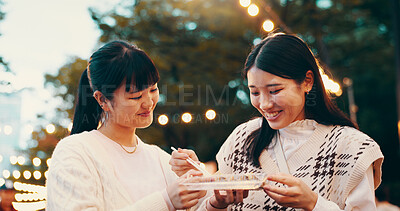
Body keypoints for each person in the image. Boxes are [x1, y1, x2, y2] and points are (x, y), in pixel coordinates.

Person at [170, 33, 384, 210]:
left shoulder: (351, 147)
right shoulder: (242, 139)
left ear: (307, 81)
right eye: (254, 92)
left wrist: (314, 204)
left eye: (274, 90)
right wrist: (217, 203)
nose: (264, 104)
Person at [46, 40, 206, 210]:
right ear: (102, 99)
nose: (148, 103)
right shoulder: (75, 152)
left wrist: (206, 192)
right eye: (135, 96)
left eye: (153, 90)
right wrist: (165, 201)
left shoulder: (161, 159)